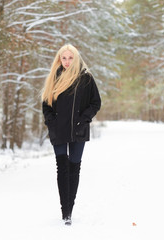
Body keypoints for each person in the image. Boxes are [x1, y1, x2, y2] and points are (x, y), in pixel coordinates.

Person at [41, 44, 101, 225]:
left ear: (76, 58)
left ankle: (70, 209)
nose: (66, 61)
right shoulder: (54, 78)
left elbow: (96, 103)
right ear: (59, 59)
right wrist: (51, 121)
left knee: (74, 167)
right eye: (63, 58)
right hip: (58, 129)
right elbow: (46, 104)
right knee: (62, 167)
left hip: (78, 129)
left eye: (70, 58)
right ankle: (64, 211)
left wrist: (84, 119)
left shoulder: (86, 79)